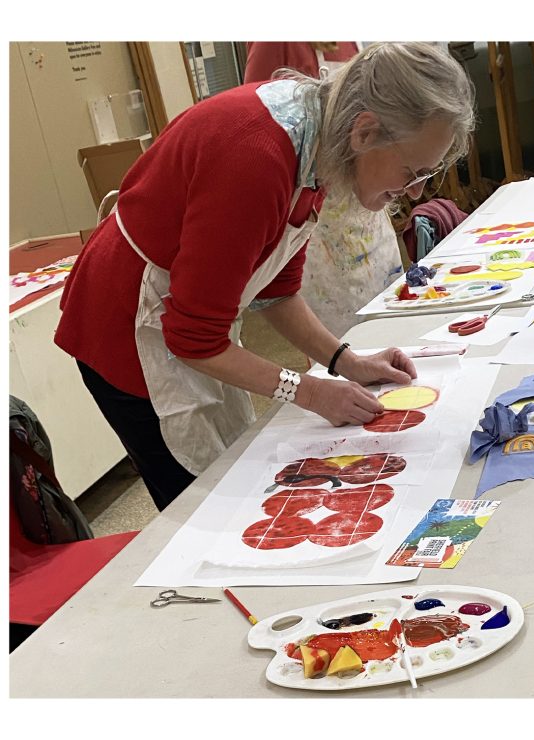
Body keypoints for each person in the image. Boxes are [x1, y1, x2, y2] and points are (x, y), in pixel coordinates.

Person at [54, 42, 475, 511]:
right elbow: (193, 338)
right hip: (125, 328)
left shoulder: (320, 145)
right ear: (365, 132)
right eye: (413, 170)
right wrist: (310, 390)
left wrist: (346, 361)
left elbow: (275, 289)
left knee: (231, 465)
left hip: (185, 317)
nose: (415, 190)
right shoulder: (257, 158)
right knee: (199, 500)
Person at [244, 41, 404, 337]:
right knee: (339, 342)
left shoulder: (354, 38)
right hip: (318, 220)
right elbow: (259, 127)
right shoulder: (276, 41)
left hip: (367, 216)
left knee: (393, 324)